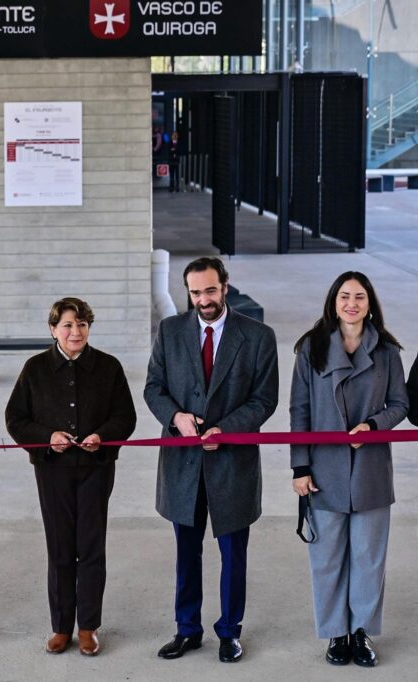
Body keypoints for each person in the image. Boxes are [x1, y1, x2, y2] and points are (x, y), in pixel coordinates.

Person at [144, 257, 278, 663]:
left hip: (232, 463)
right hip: (183, 464)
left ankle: (229, 632)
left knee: (233, 555)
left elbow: (264, 399)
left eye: (210, 290)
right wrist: (176, 418)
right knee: (187, 554)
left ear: (225, 285)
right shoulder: (170, 331)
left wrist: (226, 429)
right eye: (196, 292)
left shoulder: (258, 336)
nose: (204, 300)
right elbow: (153, 388)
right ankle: (187, 629)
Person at [5, 297, 136, 656]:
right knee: (60, 548)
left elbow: (125, 417)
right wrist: (47, 437)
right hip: (53, 471)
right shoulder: (35, 369)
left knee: (91, 548)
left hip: (96, 469)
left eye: (81, 324)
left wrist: (102, 436)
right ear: (53, 330)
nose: (75, 331)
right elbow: (16, 419)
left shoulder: (108, 367)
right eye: (67, 325)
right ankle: (61, 626)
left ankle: (88, 627)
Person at [291, 272, 407, 667]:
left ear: (370, 303)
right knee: (327, 559)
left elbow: (400, 404)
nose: (351, 304)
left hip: (371, 468)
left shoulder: (387, 351)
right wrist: (300, 467)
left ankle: (360, 632)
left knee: (369, 557)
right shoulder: (312, 348)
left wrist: (373, 426)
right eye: (344, 296)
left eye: (359, 297)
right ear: (333, 302)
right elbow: (300, 410)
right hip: (324, 469)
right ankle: (335, 633)